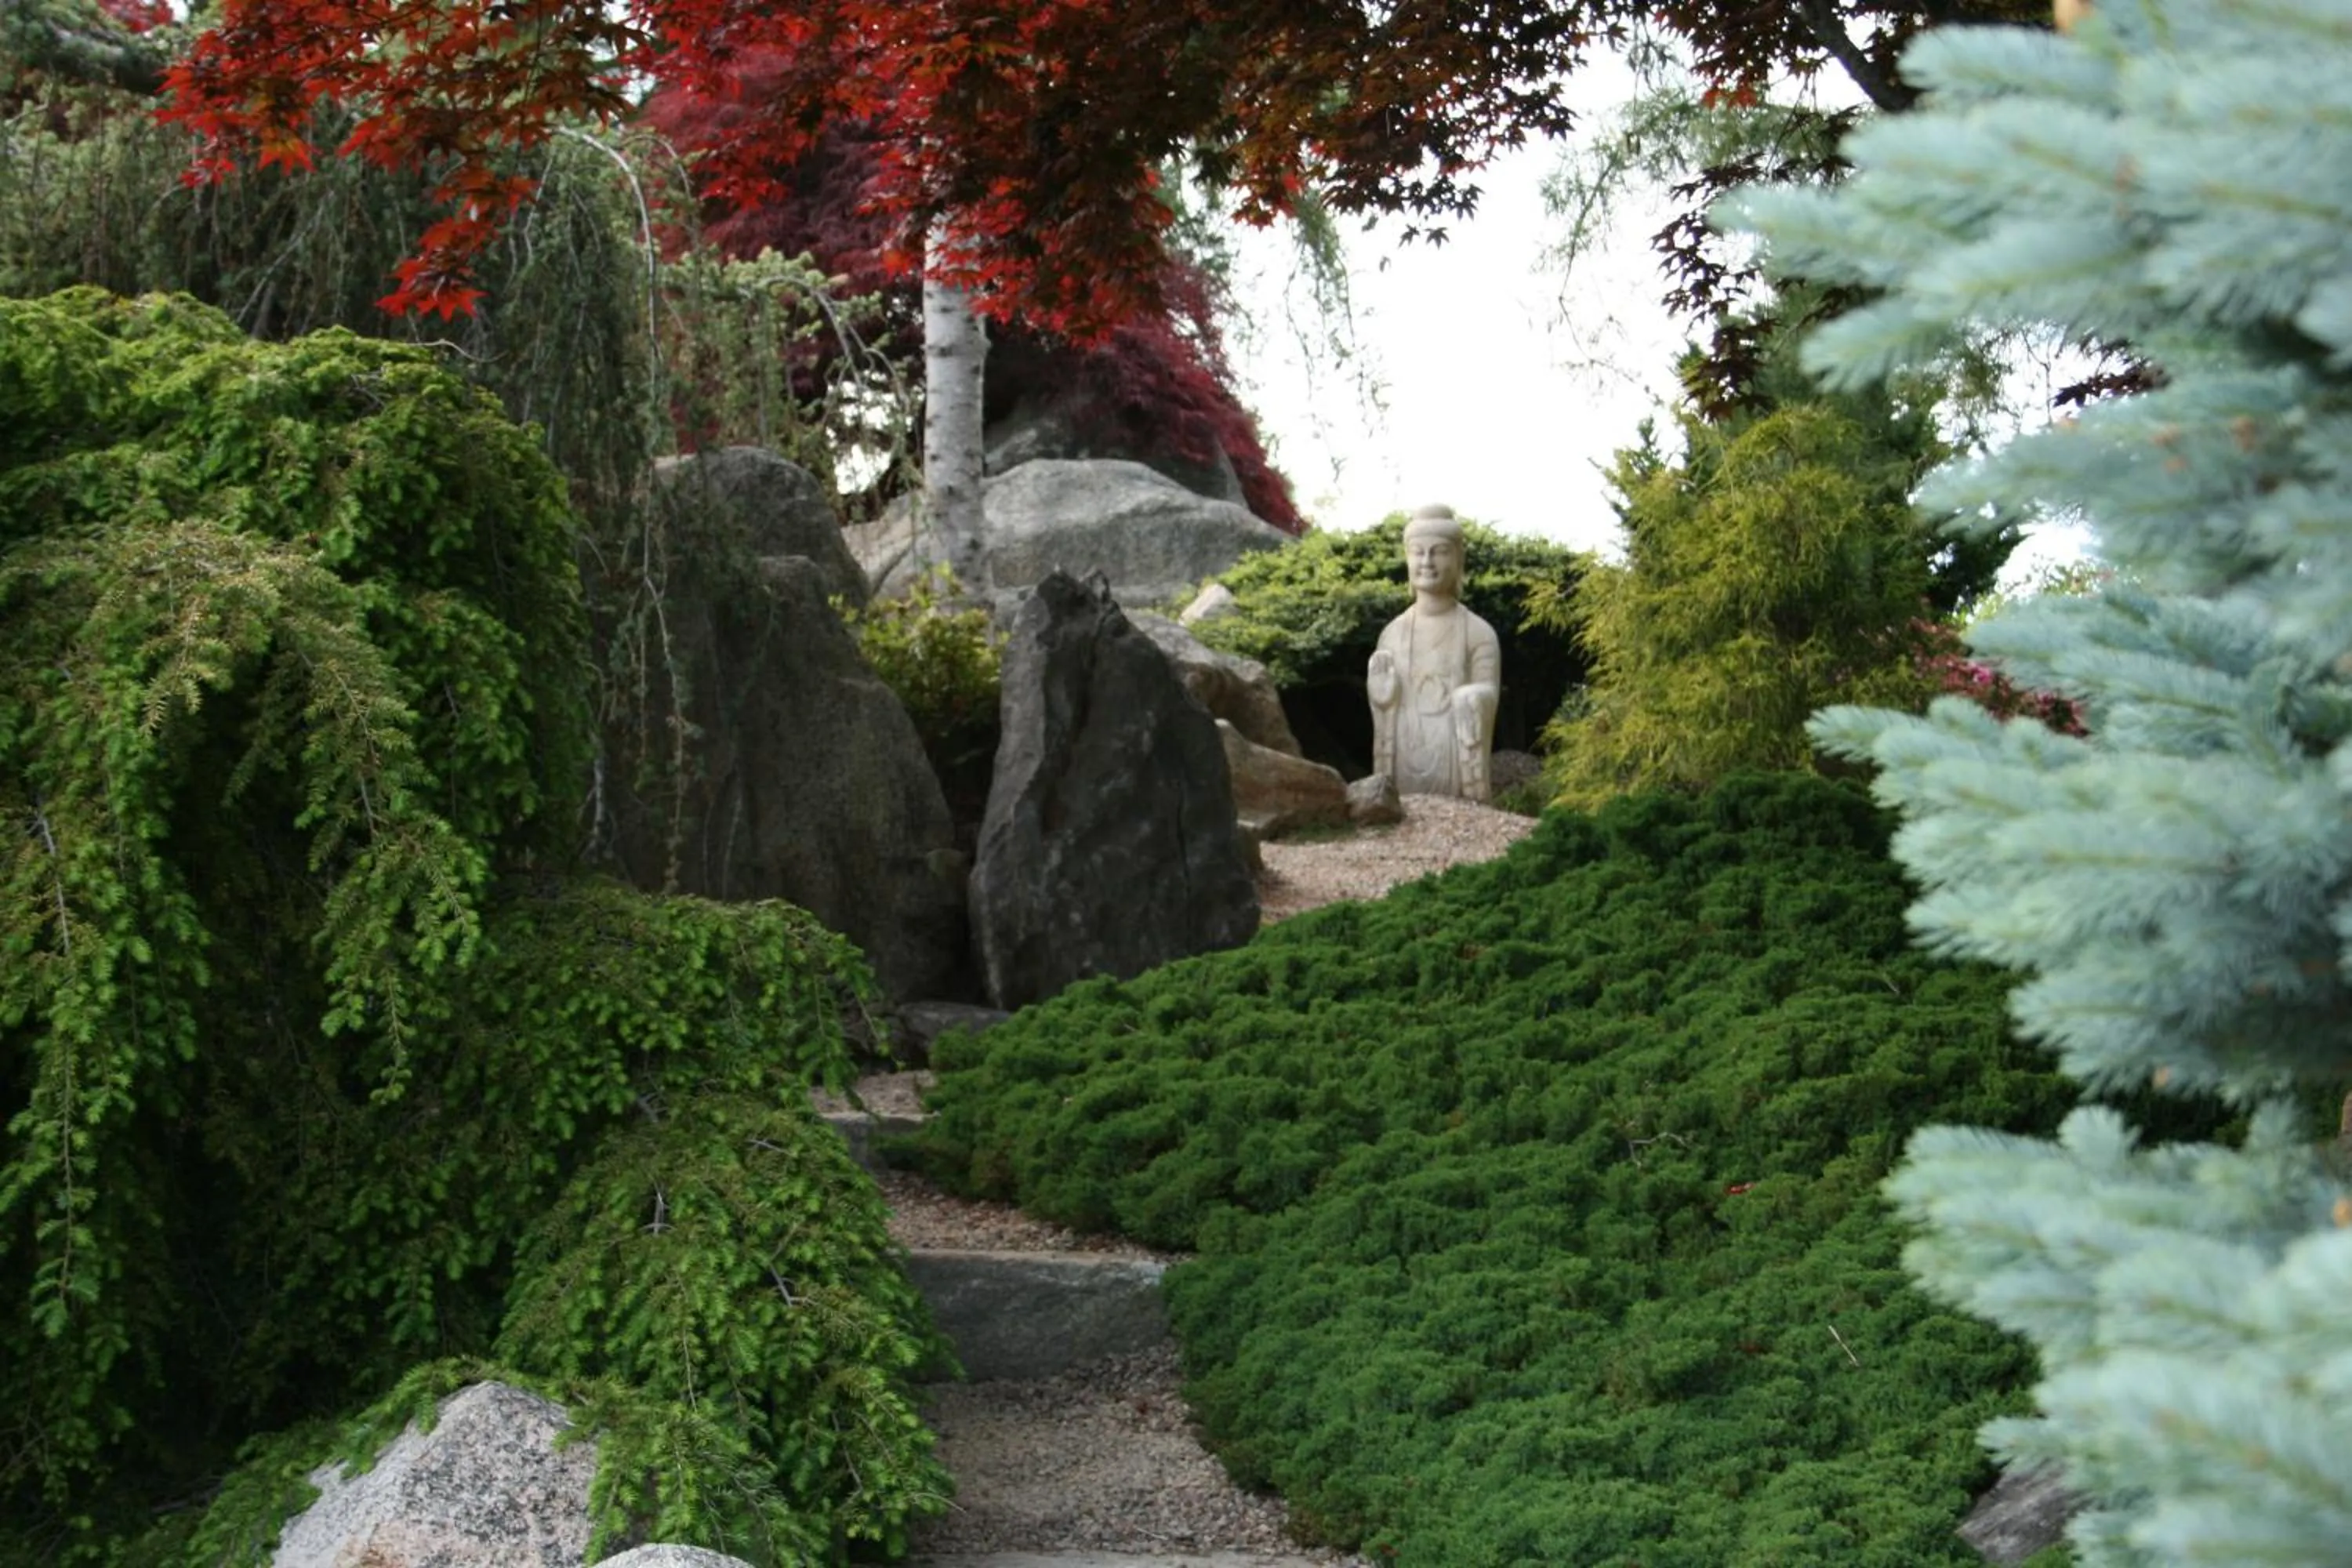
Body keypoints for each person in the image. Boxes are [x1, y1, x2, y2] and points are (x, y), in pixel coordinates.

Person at [1367, 504, 1501, 801]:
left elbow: (1489, 691)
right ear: (1407, 558)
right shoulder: (1392, 633)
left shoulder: (1478, 632)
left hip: (1453, 754)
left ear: (1458, 558)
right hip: (1407, 745)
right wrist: (1383, 699)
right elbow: (1385, 703)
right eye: (1417, 552)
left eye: (1439, 551)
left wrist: (1473, 697)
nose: (1427, 562)